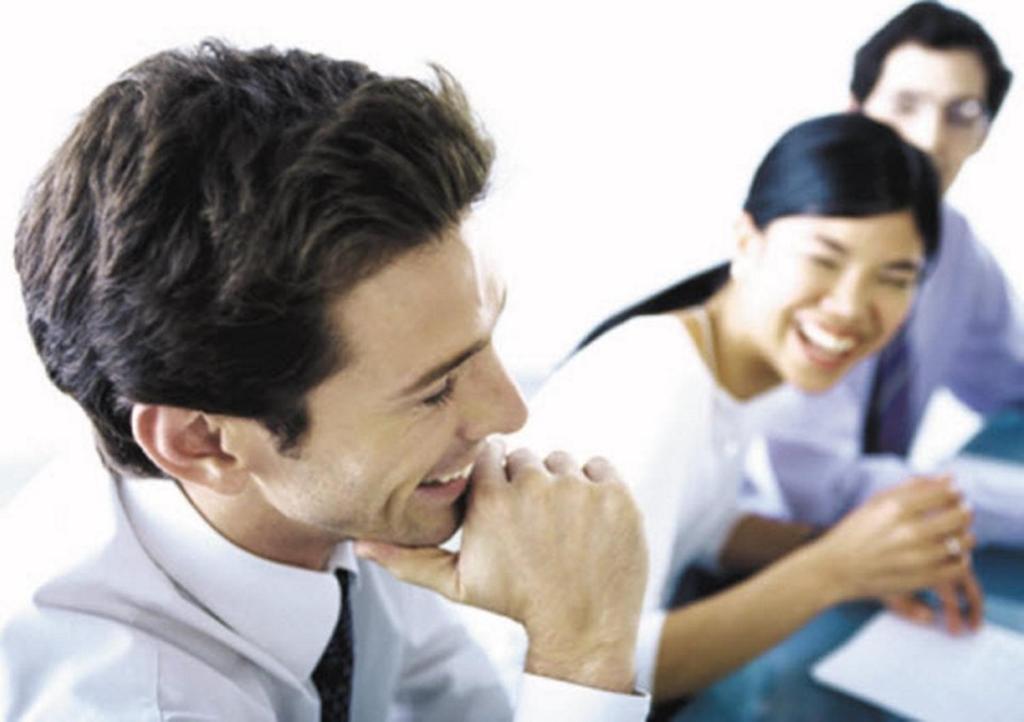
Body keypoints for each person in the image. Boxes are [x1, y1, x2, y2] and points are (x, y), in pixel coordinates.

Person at [0, 42, 651, 721]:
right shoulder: (126, 700)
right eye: (433, 390)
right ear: (203, 443)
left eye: (485, 343)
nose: (509, 412)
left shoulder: (339, 503)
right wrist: (583, 652)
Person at [518, 113, 977, 704]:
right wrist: (835, 568)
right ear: (745, 241)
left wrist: (876, 554)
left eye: (895, 277)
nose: (850, 306)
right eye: (825, 258)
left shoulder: (737, 369)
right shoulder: (657, 387)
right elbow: (591, 666)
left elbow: (699, 525)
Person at [748, 1, 1024, 547]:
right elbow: (823, 491)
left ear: (984, 133)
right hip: (759, 545)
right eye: (906, 104)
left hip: (873, 549)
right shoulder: (800, 243)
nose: (928, 138)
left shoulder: (957, 247)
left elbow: (1010, 379)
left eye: (961, 113)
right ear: (857, 111)